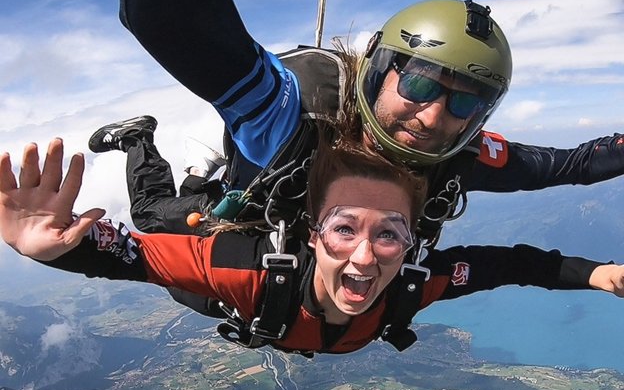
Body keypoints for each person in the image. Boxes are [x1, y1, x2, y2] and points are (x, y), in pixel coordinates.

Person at [103, 0, 624, 247]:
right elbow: (168, 16)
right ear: (380, 69)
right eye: (418, 83)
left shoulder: (457, 155)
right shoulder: (295, 115)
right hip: (243, 219)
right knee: (154, 216)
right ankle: (137, 139)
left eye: (465, 101)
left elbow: (573, 165)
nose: (432, 116)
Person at [2, 137, 623, 356]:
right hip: (229, 296)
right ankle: (155, 149)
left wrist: (594, 274)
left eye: (390, 233)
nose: (365, 256)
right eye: (345, 228)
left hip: (266, 310)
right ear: (311, 234)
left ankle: (204, 184)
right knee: (161, 219)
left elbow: (510, 265)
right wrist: (57, 250)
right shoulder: (245, 273)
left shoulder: (414, 279)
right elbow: (134, 255)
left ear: (413, 242)